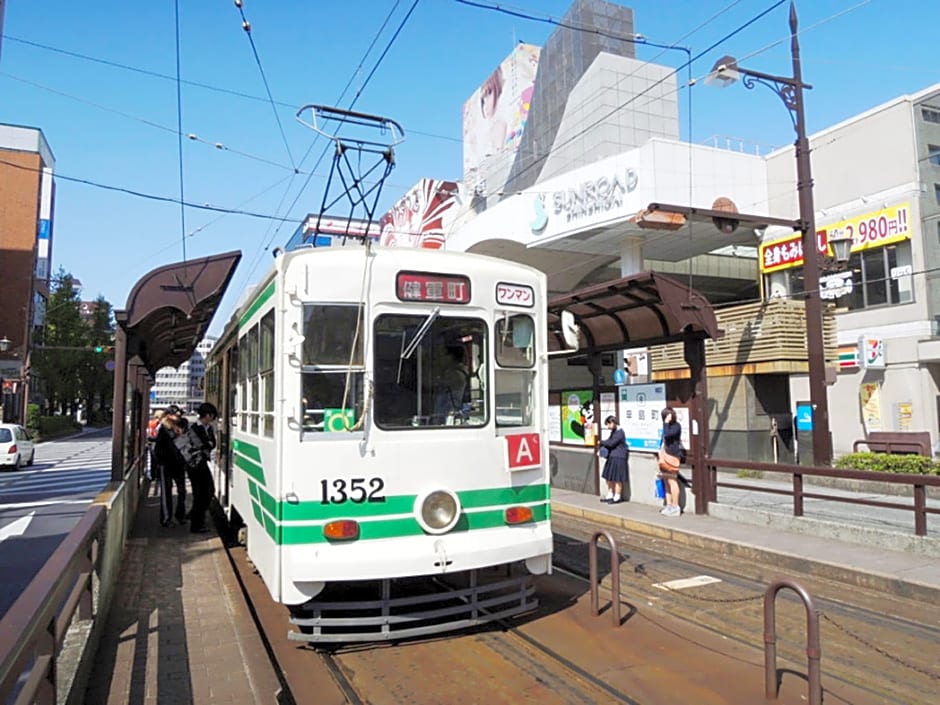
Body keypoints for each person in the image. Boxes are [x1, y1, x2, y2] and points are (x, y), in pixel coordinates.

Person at [153, 405, 188, 527]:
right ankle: (166, 519)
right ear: (169, 415)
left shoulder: (183, 426)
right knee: (166, 492)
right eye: (176, 414)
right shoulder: (163, 429)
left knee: (182, 490)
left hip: (179, 463)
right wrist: (160, 462)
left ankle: (180, 515)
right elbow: (157, 448)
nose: (179, 416)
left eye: (180, 414)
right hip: (166, 464)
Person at [187, 402, 217, 534]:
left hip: (203, 462)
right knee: (200, 494)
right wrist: (207, 444)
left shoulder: (208, 428)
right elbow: (201, 444)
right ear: (208, 415)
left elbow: (212, 444)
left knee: (209, 491)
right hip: (195, 465)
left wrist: (207, 444)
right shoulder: (194, 428)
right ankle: (196, 524)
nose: (213, 419)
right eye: (212, 416)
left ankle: (195, 516)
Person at [433, 345, 470, 424]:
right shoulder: (456, 371)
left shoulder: (454, 374)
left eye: (442, 355)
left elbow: (433, 386)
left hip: (449, 415)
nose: (440, 359)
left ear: (450, 357)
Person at [659, 407, 684, 517]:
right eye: (666, 415)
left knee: (672, 480)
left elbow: (668, 435)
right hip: (664, 456)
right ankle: (669, 505)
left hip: (672, 455)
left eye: (669, 415)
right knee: (666, 481)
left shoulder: (676, 426)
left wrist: (666, 423)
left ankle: (676, 506)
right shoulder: (666, 427)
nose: (668, 417)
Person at [599, 416, 629, 504]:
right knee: (609, 477)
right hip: (612, 456)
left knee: (617, 478)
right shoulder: (614, 431)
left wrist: (601, 442)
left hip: (619, 457)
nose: (608, 426)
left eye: (608, 424)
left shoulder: (620, 432)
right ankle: (610, 494)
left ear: (613, 422)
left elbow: (611, 443)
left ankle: (617, 496)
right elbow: (609, 441)